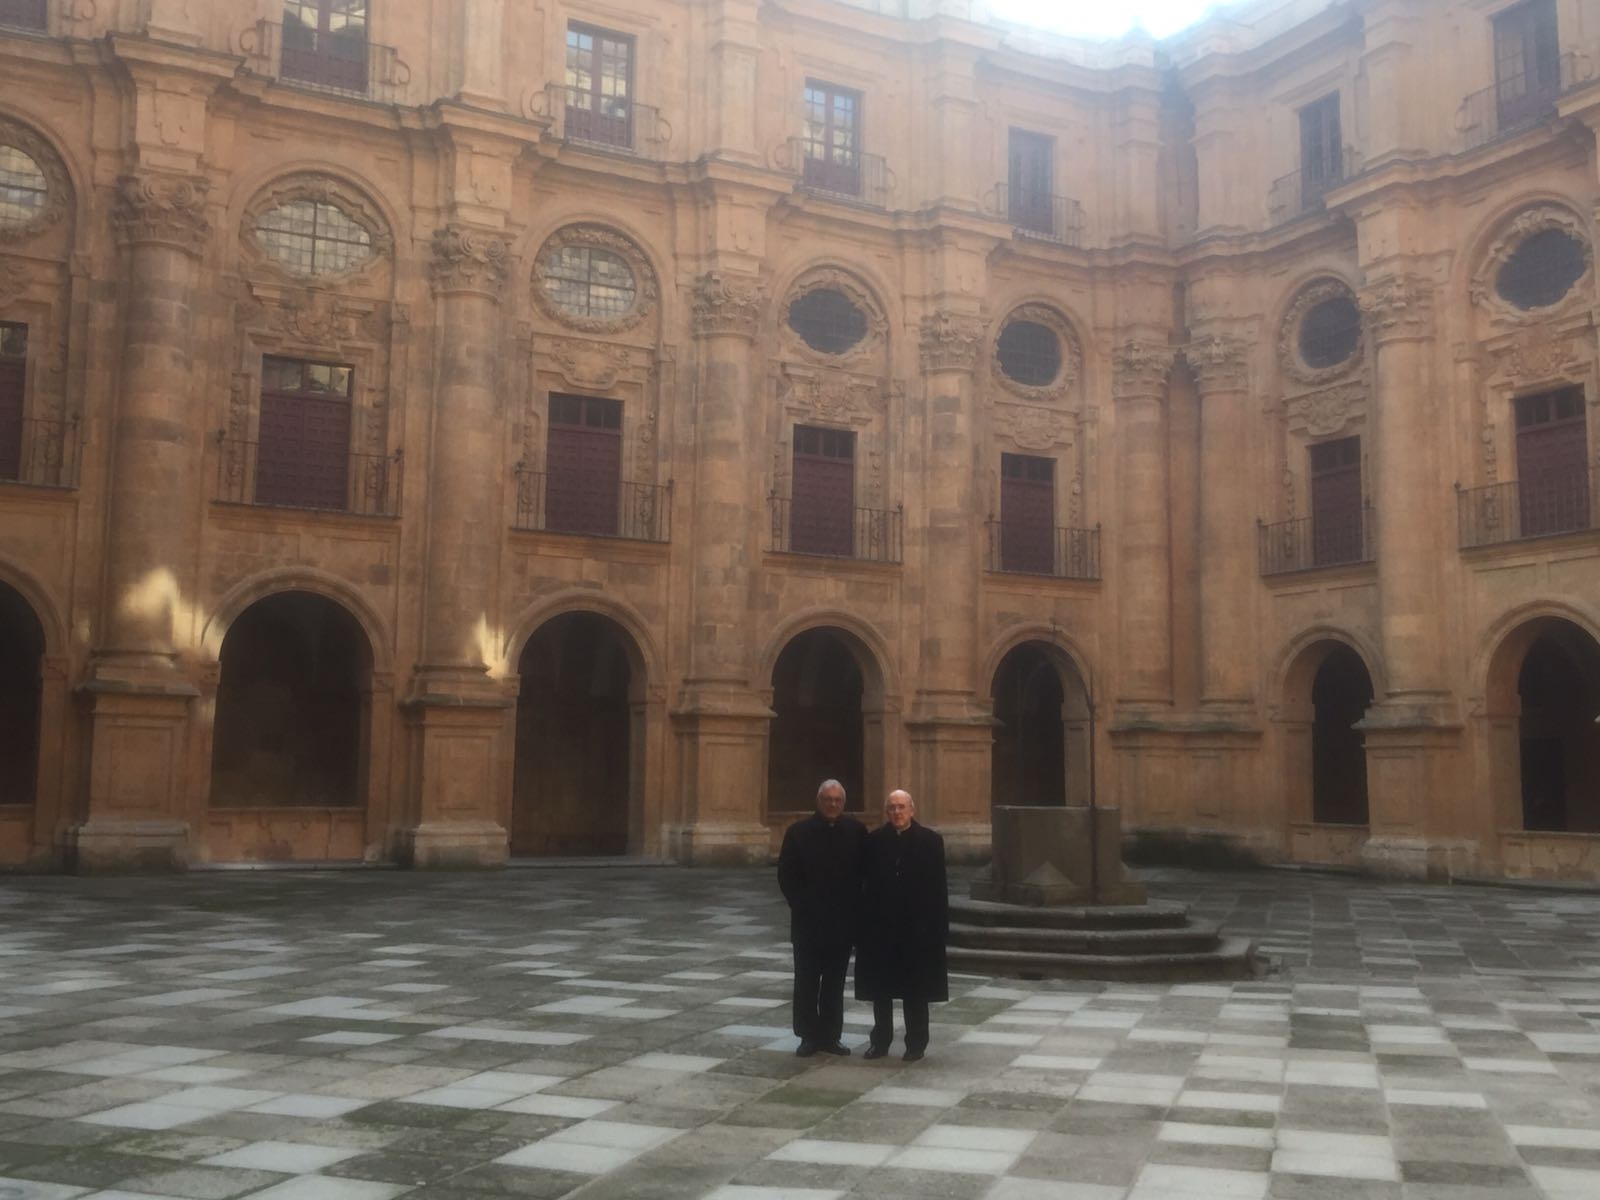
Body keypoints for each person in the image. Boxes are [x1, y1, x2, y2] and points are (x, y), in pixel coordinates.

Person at [855, 789, 948, 1062]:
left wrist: (937, 928)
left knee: (915, 990)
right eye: (892, 807)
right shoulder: (873, 842)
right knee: (880, 990)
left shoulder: (931, 842)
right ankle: (880, 1042)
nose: (897, 812)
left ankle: (916, 1043)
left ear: (912, 810)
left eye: (901, 807)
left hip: (916, 929)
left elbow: (939, 888)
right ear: (887, 812)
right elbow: (865, 885)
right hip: (882, 929)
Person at [777, 778, 867, 1058]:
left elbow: (865, 874)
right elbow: (786, 876)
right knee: (805, 981)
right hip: (808, 923)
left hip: (842, 923)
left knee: (834, 982)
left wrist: (855, 909)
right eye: (828, 799)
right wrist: (802, 905)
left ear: (844, 802)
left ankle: (830, 1036)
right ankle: (807, 1036)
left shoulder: (856, 831)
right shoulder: (797, 832)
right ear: (818, 801)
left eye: (838, 800)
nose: (833, 804)